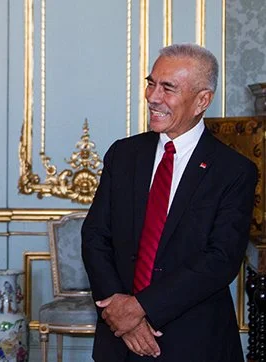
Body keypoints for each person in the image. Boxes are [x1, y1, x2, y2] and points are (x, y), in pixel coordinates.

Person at [82, 43, 257, 361]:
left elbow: (221, 259)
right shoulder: (123, 154)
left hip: (194, 341)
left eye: (168, 88)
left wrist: (141, 308)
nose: (152, 97)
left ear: (202, 100)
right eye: (151, 83)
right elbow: (95, 236)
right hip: (119, 341)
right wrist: (121, 313)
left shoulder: (234, 171)